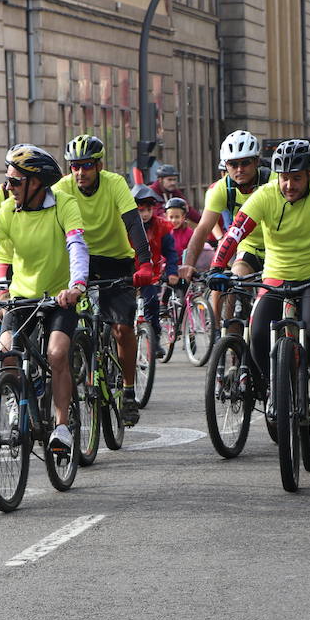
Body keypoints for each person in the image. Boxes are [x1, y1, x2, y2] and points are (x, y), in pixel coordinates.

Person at [208, 139, 310, 428]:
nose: (289, 185)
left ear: (309, 175)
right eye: (284, 178)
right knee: (256, 333)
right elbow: (235, 232)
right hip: (275, 277)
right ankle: (274, 387)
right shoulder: (266, 194)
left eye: (296, 178)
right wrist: (218, 266)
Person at [0, 145, 88, 454]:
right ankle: (14, 399)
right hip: (21, 297)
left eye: (15, 181)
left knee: (56, 354)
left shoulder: (64, 204)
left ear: (36, 182)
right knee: (6, 353)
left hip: (59, 298)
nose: (8, 187)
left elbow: (77, 245)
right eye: (7, 180)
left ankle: (62, 427)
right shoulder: (8, 210)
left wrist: (76, 285)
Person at [53, 134, 155, 425]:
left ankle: (128, 390)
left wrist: (145, 263)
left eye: (86, 166)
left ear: (98, 165)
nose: (80, 173)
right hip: (78, 262)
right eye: (74, 167)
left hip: (115, 260)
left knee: (122, 328)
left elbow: (133, 222)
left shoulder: (115, 184)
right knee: (67, 332)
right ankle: (69, 402)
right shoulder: (62, 188)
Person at [179, 130, 268, 326]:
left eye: (245, 163)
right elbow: (202, 228)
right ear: (225, 165)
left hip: (278, 249)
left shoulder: (273, 183)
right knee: (233, 285)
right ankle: (224, 335)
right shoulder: (221, 189)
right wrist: (189, 263)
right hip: (249, 248)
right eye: (233, 164)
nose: (239, 169)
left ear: (256, 161)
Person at [133, 185, 178, 358]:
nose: (145, 214)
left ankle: (155, 340)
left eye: (148, 210)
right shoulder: (123, 225)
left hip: (150, 275)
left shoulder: (161, 226)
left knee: (152, 305)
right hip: (128, 273)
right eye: (140, 210)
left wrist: (172, 272)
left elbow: (171, 253)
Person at [165, 196, 213, 276]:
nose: (173, 220)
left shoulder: (189, 233)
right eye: (171, 217)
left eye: (177, 217)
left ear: (183, 217)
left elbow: (194, 250)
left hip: (185, 270)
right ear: (166, 217)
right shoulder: (165, 233)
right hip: (169, 269)